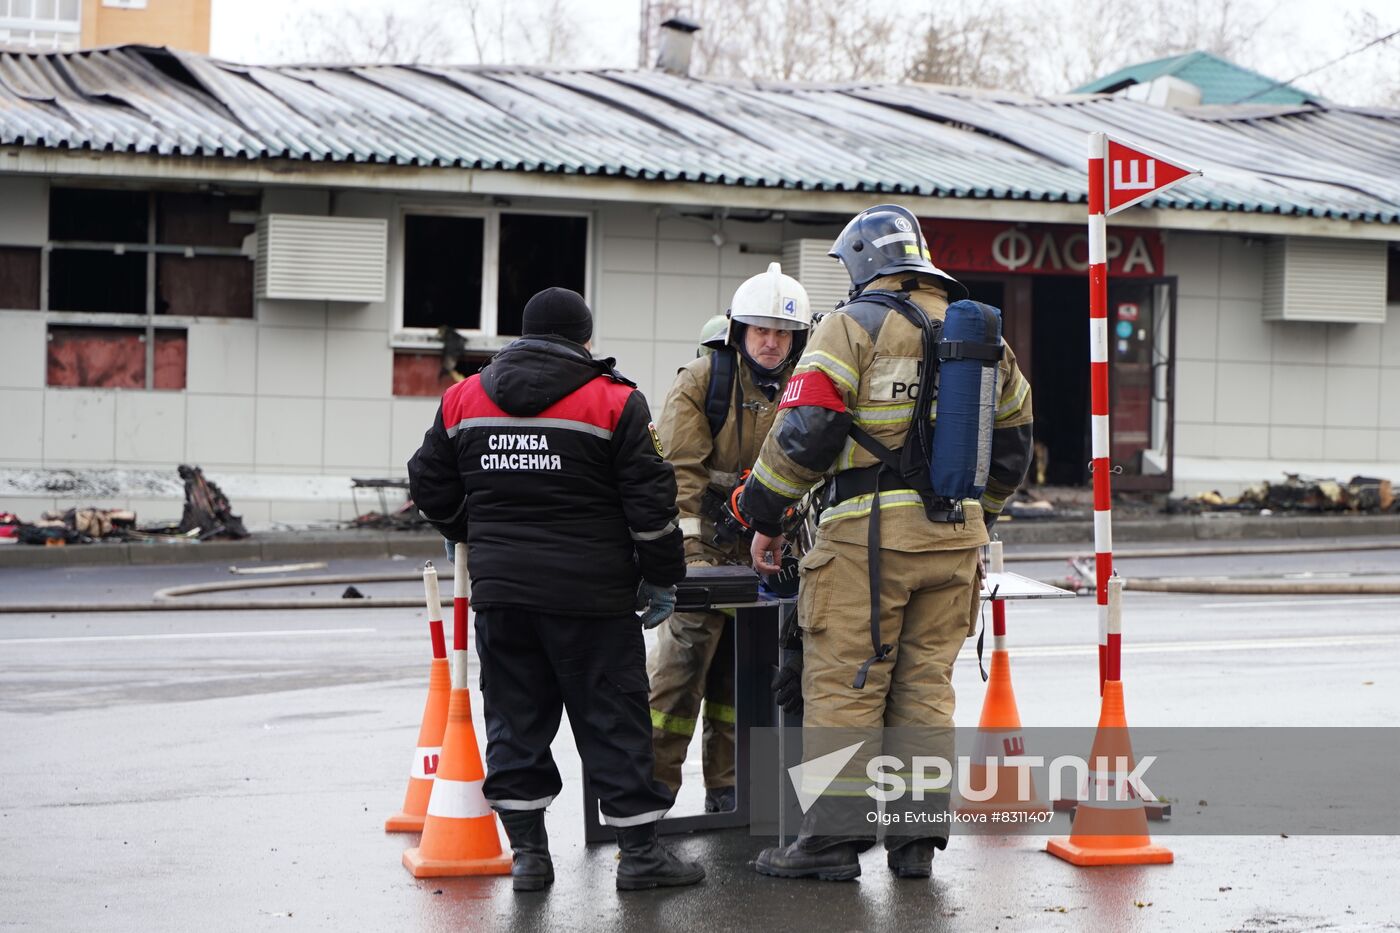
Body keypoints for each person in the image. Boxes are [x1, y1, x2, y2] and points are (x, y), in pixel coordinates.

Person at [736, 205, 1034, 881]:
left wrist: (763, 513)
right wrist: (973, 513)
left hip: (867, 541)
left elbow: (806, 430)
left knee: (848, 682)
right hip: (957, 538)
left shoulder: (853, 325)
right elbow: (1014, 442)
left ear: (867, 260)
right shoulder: (984, 335)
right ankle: (915, 844)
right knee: (926, 688)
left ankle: (833, 843)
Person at [407, 287, 704, 893]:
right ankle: (641, 858)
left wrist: (467, 531)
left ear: (522, 335)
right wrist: (661, 576)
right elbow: (653, 509)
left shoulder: (464, 398)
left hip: (503, 598)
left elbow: (427, 480)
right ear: (585, 339)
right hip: (592, 601)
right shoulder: (614, 402)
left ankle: (529, 859)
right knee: (614, 722)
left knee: (515, 723)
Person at [647, 264, 812, 814]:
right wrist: (692, 558)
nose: (771, 342)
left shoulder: (810, 385)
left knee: (743, 683)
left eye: (783, 332)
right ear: (739, 331)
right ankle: (647, 798)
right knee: (678, 675)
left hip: (771, 557)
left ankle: (730, 791)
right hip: (708, 556)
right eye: (761, 330)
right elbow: (680, 473)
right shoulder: (702, 380)